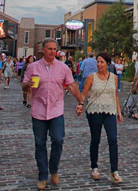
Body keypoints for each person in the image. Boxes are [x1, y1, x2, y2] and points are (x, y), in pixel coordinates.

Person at [22, 38, 84, 190]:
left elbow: (71, 85)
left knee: (58, 139)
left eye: (54, 49)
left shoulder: (63, 68)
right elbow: (24, 86)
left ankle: (54, 169)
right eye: (49, 48)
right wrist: (27, 85)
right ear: (43, 50)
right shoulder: (33, 67)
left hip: (56, 110)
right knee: (40, 143)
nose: (52, 51)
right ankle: (43, 175)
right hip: (38, 110)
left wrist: (80, 101)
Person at [80, 52, 123, 184]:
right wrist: (80, 105)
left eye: (102, 62)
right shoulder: (91, 77)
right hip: (95, 111)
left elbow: (115, 95)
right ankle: (94, 167)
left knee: (112, 139)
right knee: (96, 139)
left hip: (110, 111)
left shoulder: (114, 78)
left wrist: (119, 111)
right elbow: (84, 93)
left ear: (108, 64)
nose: (99, 64)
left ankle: (114, 170)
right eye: (97, 62)